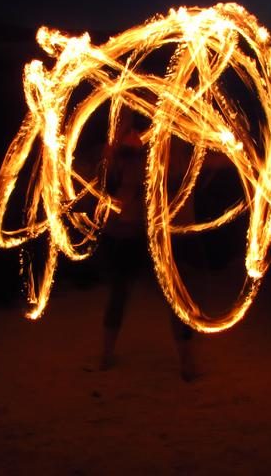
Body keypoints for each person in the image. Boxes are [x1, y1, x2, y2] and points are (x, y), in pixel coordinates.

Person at [98, 107, 197, 381]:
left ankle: (186, 360)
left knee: (174, 297)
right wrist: (118, 158)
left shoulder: (162, 145)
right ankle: (106, 353)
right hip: (128, 230)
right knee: (120, 292)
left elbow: (178, 169)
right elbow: (109, 185)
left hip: (157, 230)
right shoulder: (118, 149)